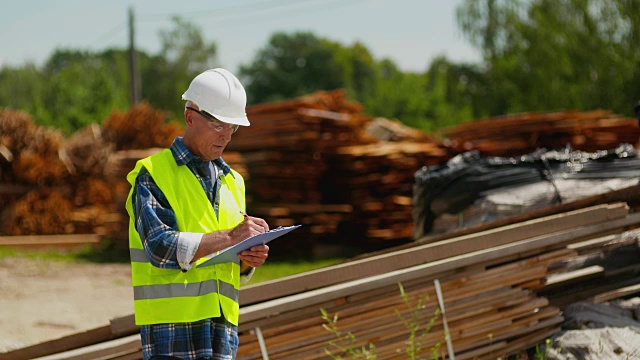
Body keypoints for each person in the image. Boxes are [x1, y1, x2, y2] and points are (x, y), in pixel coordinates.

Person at [125, 68, 270, 360]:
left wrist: (247, 260)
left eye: (233, 127)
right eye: (219, 126)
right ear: (190, 118)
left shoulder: (233, 182)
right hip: (172, 330)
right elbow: (159, 246)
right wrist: (230, 237)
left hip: (222, 329)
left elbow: (224, 260)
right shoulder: (153, 174)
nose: (227, 136)